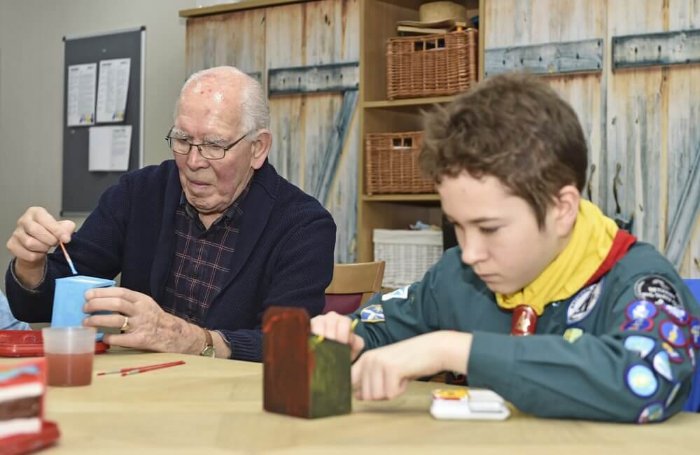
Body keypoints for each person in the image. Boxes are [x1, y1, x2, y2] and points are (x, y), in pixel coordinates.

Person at [311, 72, 700, 423]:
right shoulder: (456, 276)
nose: (470, 253)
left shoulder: (639, 279)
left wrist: (454, 349)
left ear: (561, 208)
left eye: (489, 228)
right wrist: (348, 342)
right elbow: (378, 329)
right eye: (458, 227)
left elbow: (645, 378)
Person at [6, 66, 336, 361]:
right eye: (182, 140)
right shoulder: (138, 193)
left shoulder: (303, 226)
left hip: (237, 406)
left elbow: (286, 343)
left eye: (213, 145)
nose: (193, 162)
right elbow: (38, 307)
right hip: (139, 392)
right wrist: (31, 265)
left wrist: (195, 340)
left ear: (258, 148)